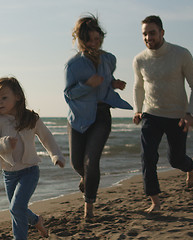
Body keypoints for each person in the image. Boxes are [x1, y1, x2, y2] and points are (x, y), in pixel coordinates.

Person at [0, 76, 65, 239]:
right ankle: (37, 220)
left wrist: (56, 155)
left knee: (16, 208)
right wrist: (4, 144)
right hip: (9, 175)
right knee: (17, 209)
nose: (0, 103)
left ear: (17, 96)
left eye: (4, 98)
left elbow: (46, 136)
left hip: (29, 171)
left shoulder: (30, 118)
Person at [64, 14, 132, 218]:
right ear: (81, 40)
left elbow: (106, 81)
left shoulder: (109, 59)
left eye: (98, 39)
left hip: (102, 115)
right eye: (91, 40)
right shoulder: (73, 65)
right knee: (78, 164)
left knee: (91, 161)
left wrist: (114, 84)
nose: (95, 43)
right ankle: (87, 180)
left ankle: (89, 208)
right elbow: (69, 93)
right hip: (78, 118)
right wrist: (87, 85)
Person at [133, 15, 193, 213]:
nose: (148, 37)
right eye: (144, 34)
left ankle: (191, 166)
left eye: (152, 33)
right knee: (147, 157)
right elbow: (138, 87)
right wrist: (138, 109)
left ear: (162, 33)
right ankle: (155, 201)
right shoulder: (139, 60)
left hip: (177, 116)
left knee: (176, 160)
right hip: (151, 114)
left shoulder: (181, 54)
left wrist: (190, 113)